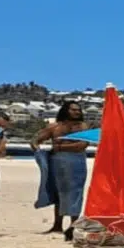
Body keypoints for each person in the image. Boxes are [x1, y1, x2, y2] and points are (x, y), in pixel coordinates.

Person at [34, 101, 89, 239]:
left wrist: (59, 148)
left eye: (79, 110)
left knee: (75, 192)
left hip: (76, 162)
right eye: (74, 110)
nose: (77, 112)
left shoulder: (82, 127)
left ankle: (73, 225)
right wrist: (40, 157)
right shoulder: (55, 127)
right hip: (57, 162)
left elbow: (82, 145)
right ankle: (57, 225)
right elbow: (35, 141)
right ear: (66, 110)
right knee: (59, 192)